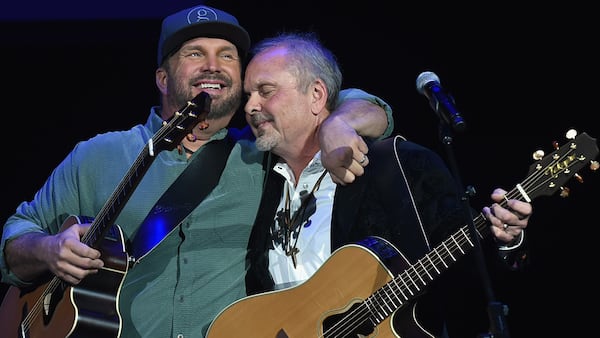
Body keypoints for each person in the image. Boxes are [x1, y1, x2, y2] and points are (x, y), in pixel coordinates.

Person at [0, 5, 395, 338]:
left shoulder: (263, 155)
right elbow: (13, 244)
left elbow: (363, 105)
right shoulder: (97, 156)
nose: (213, 65)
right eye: (194, 53)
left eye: (227, 55)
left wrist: (336, 124)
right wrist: (48, 250)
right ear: (162, 78)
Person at [235, 32, 532, 337]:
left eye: (265, 91)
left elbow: (475, 269)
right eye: (248, 95)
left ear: (316, 95)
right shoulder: (259, 179)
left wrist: (507, 240)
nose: (250, 106)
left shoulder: (398, 165)